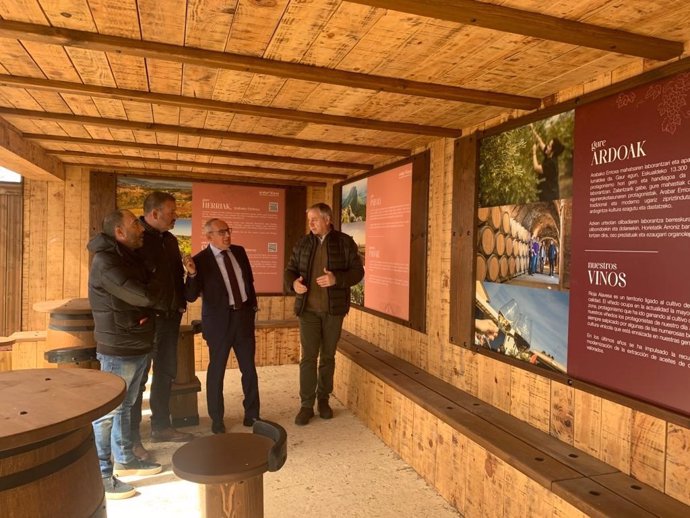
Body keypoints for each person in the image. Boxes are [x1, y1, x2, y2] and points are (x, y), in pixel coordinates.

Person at [88, 209, 163, 500]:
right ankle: (103, 476)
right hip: (119, 347)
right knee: (108, 413)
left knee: (128, 404)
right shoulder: (106, 262)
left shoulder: (127, 257)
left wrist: (150, 289)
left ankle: (126, 460)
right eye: (135, 223)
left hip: (136, 342)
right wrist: (153, 291)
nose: (141, 228)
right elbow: (144, 295)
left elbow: (146, 287)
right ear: (119, 232)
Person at [285, 203, 364, 426]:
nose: (311, 224)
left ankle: (323, 400)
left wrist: (336, 279)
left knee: (327, 357)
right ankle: (306, 405)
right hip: (307, 310)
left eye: (315, 219)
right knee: (308, 358)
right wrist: (293, 283)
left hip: (333, 311)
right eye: (309, 219)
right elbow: (289, 269)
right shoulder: (303, 242)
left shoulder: (344, 242)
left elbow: (358, 272)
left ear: (327, 219)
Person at [183, 218, 260, 434]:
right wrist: (192, 274)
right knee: (216, 372)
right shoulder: (200, 261)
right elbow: (189, 296)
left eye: (228, 231)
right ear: (209, 237)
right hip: (218, 324)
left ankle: (252, 414)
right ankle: (217, 418)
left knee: (249, 369)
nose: (227, 235)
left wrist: (252, 308)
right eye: (221, 232)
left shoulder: (239, 252)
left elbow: (249, 283)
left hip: (242, 318)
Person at [131, 192, 192, 456]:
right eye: (171, 212)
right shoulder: (136, 240)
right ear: (154, 214)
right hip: (146, 320)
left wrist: (180, 302)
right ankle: (132, 438)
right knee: (139, 379)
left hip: (169, 317)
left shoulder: (168, 240)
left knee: (166, 372)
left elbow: (175, 277)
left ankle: (161, 426)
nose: (176, 216)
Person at [531, 124, 565, 201]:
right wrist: (532, 129)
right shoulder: (549, 154)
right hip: (546, 193)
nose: (547, 146)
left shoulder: (551, 164)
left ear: (553, 151)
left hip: (550, 196)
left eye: (549, 146)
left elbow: (536, 168)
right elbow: (540, 142)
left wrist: (534, 153)